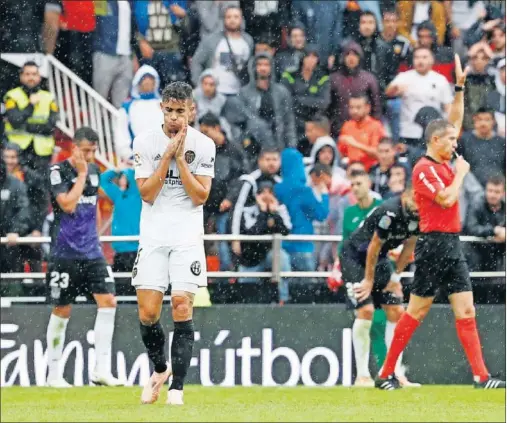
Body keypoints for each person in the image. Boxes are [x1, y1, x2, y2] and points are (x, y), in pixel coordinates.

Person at [375, 55, 505, 390]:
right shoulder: (424, 169)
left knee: (466, 310)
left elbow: (455, 121)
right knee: (416, 312)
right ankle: (386, 372)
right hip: (433, 245)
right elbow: (446, 199)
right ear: (435, 141)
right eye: (449, 139)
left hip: (452, 243)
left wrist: (459, 88)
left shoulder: (444, 161)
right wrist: (461, 174)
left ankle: (481, 376)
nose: (455, 141)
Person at [131, 82, 216, 405]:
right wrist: (167, 156)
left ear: (191, 110)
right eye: (170, 110)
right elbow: (147, 194)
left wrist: (181, 160)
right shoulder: (145, 142)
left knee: (181, 305)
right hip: (153, 235)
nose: (176, 117)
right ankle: (160, 369)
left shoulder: (204, 145)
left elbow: (200, 196)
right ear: (162, 109)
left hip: (186, 236)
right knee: (148, 314)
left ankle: (177, 389)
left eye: (181, 111)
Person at [45, 127, 121, 388]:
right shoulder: (58, 171)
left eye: (93, 151)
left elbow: (94, 208)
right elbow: (68, 204)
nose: (90, 155)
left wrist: (96, 238)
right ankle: (53, 374)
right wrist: (80, 174)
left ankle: (101, 370)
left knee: (109, 301)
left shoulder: (96, 172)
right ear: (74, 148)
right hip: (64, 252)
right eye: (86, 150)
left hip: (91, 252)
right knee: (62, 309)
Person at [341, 183, 420, 387]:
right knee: (366, 311)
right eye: (414, 198)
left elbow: (409, 246)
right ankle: (362, 375)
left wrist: (395, 279)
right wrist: (368, 280)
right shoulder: (390, 211)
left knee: (396, 311)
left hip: (380, 259)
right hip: (355, 257)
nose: (418, 204)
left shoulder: (419, 215)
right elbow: (373, 246)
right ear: (405, 195)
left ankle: (395, 373)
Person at [4, 61, 59, 234]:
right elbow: (15, 120)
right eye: (27, 74)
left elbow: (51, 125)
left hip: (41, 154)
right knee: (17, 192)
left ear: (39, 76)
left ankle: (35, 230)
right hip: (17, 154)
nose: (31, 77)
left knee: (40, 194)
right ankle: (15, 230)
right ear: (21, 76)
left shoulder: (48, 97)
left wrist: (27, 125)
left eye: (34, 74)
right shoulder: (12, 96)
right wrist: (29, 106)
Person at [199, 112, 244, 271]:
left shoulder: (234, 150)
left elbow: (239, 178)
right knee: (196, 242)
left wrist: (230, 198)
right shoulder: (202, 151)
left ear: (217, 128)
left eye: (206, 132)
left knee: (225, 243)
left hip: (224, 205)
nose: (203, 136)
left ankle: (227, 278)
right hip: (205, 204)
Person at [236, 180, 292, 304]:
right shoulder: (248, 210)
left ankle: (283, 300)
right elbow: (252, 233)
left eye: (270, 192)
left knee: (282, 260)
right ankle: (248, 305)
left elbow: (285, 230)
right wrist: (263, 212)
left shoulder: (280, 208)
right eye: (263, 193)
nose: (266, 196)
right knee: (246, 285)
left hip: (271, 252)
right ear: (257, 195)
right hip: (251, 255)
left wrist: (274, 213)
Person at [275, 148, 329, 275]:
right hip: (303, 245)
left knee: (285, 284)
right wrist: (324, 195)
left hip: (282, 246)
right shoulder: (304, 190)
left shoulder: (277, 188)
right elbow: (322, 214)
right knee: (306, 289)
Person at [386, 47, 453, 149]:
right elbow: (388, 92)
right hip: (408, 132)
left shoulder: (440, 80)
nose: (420, 61)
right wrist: (395, 89)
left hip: (433, 134)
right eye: (417, 57)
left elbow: (448, 106)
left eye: (424, 57)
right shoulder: (404, 77)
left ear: (432, 60)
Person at [230, 147, 281, 259]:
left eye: (275, 159)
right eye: (268, 159)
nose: (272, 163)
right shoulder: (249, 181)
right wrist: (235, 238)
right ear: (259, 161)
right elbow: (237, 210)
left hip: (271, 241)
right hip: (249, 239)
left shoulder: (280, 182)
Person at [191, 5, 254, 95]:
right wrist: (199, 85)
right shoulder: (212, 40)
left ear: (241, 19)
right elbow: (196, 62)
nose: (232, 20)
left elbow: (250, 67)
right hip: (214, 93)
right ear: (223, 19)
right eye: (228, 17)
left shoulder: (248, 41)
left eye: (236, 17)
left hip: (239, 93)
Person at [100, 162, 142, 273]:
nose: (121, 180)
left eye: (124, 177)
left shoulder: (139, 195)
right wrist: (116, 170)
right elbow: (102, 180)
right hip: (120, 250)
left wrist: (132, 168)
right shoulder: (118, 195)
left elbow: (139, 180)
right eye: (121, 177)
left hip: (137, 249)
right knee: (120, 286)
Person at [115, 65, 163, 161]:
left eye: (151, 79)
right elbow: (121, 132)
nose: (148, 82)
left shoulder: (165, 104)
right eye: (144, 79)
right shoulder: (128, 106)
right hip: (138, 159)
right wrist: (128, 154)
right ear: (138, 82)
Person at [457, 107, 505, 188]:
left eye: (487, 120)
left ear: (493, 121)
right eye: (479, 119)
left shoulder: (502, 143)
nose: (483, 123)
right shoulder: (464, 140)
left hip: (496, 190)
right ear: (474, 120)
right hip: (470, 189)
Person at [338, 95, 387, 172]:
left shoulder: (376, 126)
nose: (354, 111)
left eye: (358, 107)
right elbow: (342, 152)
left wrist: (355, 144)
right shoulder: (347, 125)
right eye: (351, 107)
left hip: (371, 170)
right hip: (351, 170)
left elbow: (379, 153)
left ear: (367, 108)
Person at [0, 159, 31, 274]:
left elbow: (23, 210)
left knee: (12, 284)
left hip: (10, 241)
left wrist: (15, 230)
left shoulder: (16, 184)